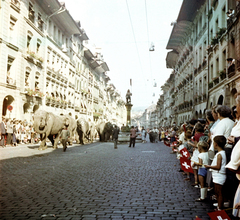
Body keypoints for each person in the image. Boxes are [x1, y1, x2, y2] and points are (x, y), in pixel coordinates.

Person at [205, 135, 227, 211]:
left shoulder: (220, 154)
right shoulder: (221, 153)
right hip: (217, 175)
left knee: (219, 192)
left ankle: (220, 208)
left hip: (219, 175)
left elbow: (218, 167)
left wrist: (209, 166)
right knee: (217, 192)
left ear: (216, 144)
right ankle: (219, 204)